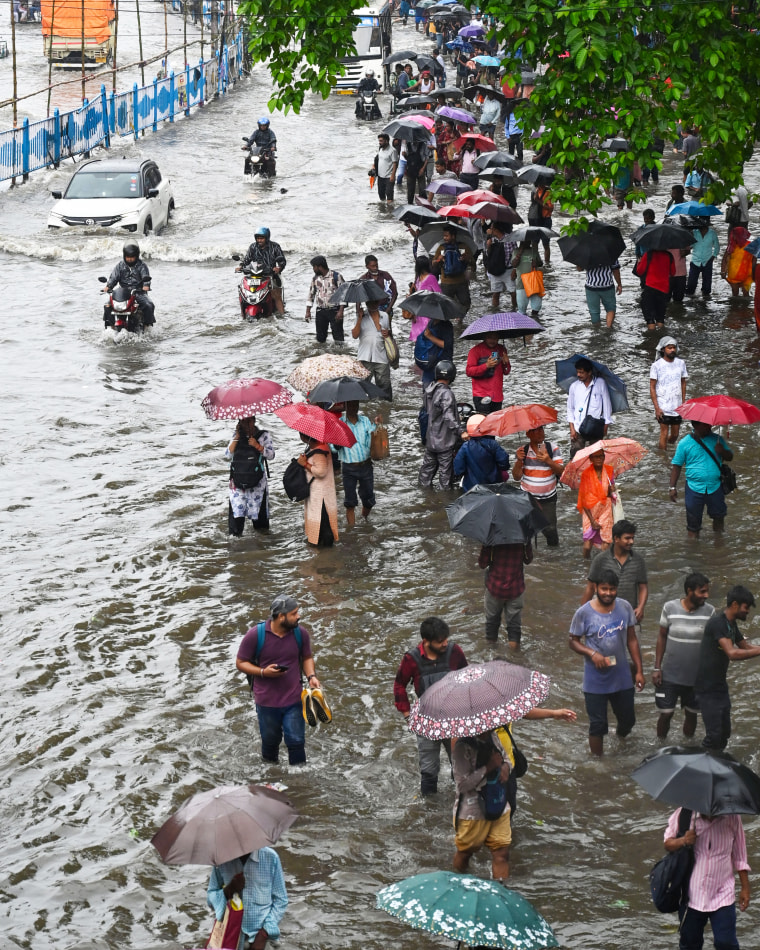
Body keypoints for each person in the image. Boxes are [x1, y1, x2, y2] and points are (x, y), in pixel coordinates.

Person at [235, 594, 320, 764]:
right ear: (281, 616)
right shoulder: (255, 635)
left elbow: (307, 657)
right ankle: (270, 780)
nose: (298, 616)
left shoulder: (300, 633)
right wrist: (263, 672)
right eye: (294, 613)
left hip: (294, 699)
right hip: (266, 702)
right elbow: (240, 662)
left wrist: (311, 676)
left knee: (296, 742)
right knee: (270, 742)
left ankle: (299, 781)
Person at [569, 569, 645, 755]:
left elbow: (632, 639)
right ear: (596, 588)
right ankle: (598, 763)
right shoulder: (583, 613)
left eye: (612, 589)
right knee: (597, 725)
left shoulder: (625, 607)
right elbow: (573, 641)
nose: (608, 593)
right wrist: (592, 653)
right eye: (604, 589)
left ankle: (620, 740)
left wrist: (639, 671)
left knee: (628, 721)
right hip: (595, 679)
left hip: (621, 675)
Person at [394, 617, 468, 795]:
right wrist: (407, 714)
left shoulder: (454, 652)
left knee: (460, 767)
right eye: (440, 641)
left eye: (446, 639)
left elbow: (467, 677)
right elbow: (399, 685)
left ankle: (459, 804)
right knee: (428, 770)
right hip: (426, 720)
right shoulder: (411, 659)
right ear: (426, 641)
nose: (445, 643)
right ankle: (429, 811)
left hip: (453, 719)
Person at [664, 809, 751, 950]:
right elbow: (668, 843)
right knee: (690, 944)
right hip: (691, 894)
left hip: (723, 892)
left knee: (726, 943)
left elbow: (740, 856)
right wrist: (683, 840)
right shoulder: (684, 814)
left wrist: (745, 888)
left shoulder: (733, 817)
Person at [694, 585, 760, 751]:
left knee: (724, 734)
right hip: (707, 688)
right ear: (735, 604)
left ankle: (716, 764)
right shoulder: (718, 623)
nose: (747, 612)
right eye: (746, 608)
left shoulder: (731, 625)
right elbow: (732, 653)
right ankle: (701, 763)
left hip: (719, 686)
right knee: (714, 735)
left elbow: (745, 647)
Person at [653, 572, 713, 739]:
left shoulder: (710, 612)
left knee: (692, 714)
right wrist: (657, 667)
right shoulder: (670, 608)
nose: (706, 596)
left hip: (696, 677)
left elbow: (715, 642)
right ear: (689, 590)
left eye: (707, 591)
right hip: (669, 675)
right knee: (666, 713)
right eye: (702, 591)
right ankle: (661, 746)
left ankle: (688, 746)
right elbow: (662, 636)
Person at [452, 730, 512, 883]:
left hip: (499, 803)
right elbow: (462, 785)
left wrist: (505, 768)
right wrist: (488, 768)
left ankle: (501, 892)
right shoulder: (462, 747)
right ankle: (458, 883)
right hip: (473, 812)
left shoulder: (493, 736)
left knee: (502, 853)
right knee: (465, 852)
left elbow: (505, 758)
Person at [207, 848, 288, 950]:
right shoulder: (221, 861)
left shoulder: (271, 857)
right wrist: (228, 890)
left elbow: (281, 900)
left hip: (263, 935)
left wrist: (263, 934)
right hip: (232, 935)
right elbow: (210, 898)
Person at [669, 420, 734, 538]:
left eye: (708, 424)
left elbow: (730, 457)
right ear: (695, 425)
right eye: (704, 424)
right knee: (693, 525)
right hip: (694, 488)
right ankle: (693, 550)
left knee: (719, 517)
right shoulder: (684, 443)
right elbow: (677, 466)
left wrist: (722, 451)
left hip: (715, 486)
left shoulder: (717, 439)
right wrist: (672, 487)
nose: (709, 426)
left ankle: (718, 544)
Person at [583, 519, 648, 622]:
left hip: (630, 616)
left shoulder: (638, 560)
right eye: (627, 538)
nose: (631, 542)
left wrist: (641, 607)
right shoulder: (600, 560)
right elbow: (590, 588)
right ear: (616, 538)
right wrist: (583, 613)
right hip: (604, 617)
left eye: (632, 538)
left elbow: (643, 587)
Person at [512, 425, 564, 547]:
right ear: (528, 434)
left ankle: (553, 554)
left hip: (548, 497)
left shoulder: (552, 448)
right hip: (527, 498)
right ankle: (527, 556)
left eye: (541, 429)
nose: (540, 432)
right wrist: (519, 461)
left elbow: (561, 472)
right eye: (535, 430)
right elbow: (516, 477)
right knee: (526, 530)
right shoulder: (523, 451)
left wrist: (548, 460)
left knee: (550, 529)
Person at [478, 532, 532, 648]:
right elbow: (528, 560)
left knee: (492, 624)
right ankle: (515, 658)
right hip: (515, 589)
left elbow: (482, 564)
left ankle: (491, 656)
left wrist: (485, 545)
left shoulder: (491, 536)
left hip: (494, 588)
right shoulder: (523, 535)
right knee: (514, 627)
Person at [226, 416, 275, 536]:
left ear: (254, 420)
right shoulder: (236, 435)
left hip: (257, 484)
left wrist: (258, 446)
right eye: (243, 420)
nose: (246, 423)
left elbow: (271, 455)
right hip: (237, 483)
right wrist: (237, 438)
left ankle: (262, 546)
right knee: (236, 520)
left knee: (261, 524)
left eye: (249, 420)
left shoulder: (263, 435)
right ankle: (235, 544)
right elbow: (228, 454)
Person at [419, 360, 464, 490]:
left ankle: (425, 495)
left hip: (430, 439)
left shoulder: (429, 390)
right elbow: (448, 416)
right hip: (444, 441)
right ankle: (444, 500)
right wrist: (461, 431)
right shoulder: (447, 393)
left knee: (426, 472)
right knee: (445, 474)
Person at [337, 401, 381, 526]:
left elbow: (372, 438)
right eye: (350, 405)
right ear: (345, 406)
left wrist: (376, 425)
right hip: (348, 468)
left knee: (368, 500)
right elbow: (333, 448)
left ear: (358, 406)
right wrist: (336, 445)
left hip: (366, 465)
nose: (353, 407)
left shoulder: (365, 421)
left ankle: (364, 520)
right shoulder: (340, 423)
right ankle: (351, 530)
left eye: (355, 404)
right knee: (350, 502)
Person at [566, 357, 613, 457]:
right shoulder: (574, 387)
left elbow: (607, 406)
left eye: (581, 372)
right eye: (578, 372)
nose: (578, 374)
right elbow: (570, 409)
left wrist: (605, 426)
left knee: (597, 457)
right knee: (575, 458)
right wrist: (572, 429)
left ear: (589, 372)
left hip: (596, 427)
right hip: (578, 428)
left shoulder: (600, 383)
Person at [298, 435, 340, 546]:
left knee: (323, 523)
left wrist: (305, 464)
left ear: (305, 437)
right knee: (324, 522)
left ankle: (324, 550)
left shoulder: (319, 452)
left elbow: (321, 472)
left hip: (321, 495)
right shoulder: (321, 447)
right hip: (323, 493)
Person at [650, 336, 688, 450]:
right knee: (664, 433)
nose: (672, 350)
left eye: (674, 347)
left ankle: (667, 450)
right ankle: (663, 459)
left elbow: (683, 383)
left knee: (675, 435)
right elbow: (652, 387)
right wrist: (657, 408)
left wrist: (683, 402)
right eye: (669, 347)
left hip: (677, 405)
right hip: (663, 405)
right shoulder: (656, 365)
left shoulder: (681, 363)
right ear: (663, 349)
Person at [576, 447, 616, 558]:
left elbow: (608, 494)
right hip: (590, 510)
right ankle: (586, 565)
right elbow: (583, 499)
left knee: (606, 543)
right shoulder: (586, 475)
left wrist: (612, 490)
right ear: (591, 459)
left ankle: (603, 566)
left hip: (605, 508)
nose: (599, 459)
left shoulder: (609, 471)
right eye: (596, 457)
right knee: (587, 546)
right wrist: (592, 520)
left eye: (601, 456)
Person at [103, 242, 155, 327]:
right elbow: (114, 277)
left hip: (138, 292)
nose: (129, 259)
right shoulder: (120, 266)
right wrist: (108, 286)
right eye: (127, 257)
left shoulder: (142, 266)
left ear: (136, 256)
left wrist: (146, 285)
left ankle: (147, 326)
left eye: (132, 257)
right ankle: (110, 326)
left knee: (149, 305)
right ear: (124, 256)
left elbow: (146, 276)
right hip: (123, 293)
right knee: (107, 305)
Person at [237, 228, 286, 314]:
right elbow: (246, 260)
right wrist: (241, 266)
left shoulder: (275, 246)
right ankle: (242, 315)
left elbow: (282, 261)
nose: (259, 240)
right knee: (242, 291)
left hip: (270, 275)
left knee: (276, 295)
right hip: (255, 275)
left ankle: (282, 315)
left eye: (261, 238)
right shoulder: (253, 247)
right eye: (258, 238)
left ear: (267, 238)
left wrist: (279, 268)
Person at [454, 414, 509, 490]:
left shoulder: (465, 447)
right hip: (493, 484)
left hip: (472, 487)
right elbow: (504, 462)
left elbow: (458, 468)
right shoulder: (493, 444)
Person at [352, 297, 392, 400]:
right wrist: (359, 318)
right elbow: (355, 335)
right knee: (362, 389)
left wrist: (387, 334)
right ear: (366, 303)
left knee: (385, 389)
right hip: (364, 357)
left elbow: (388, 336)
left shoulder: (385, 316)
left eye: (375, 301)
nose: (372, 304)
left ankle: (384, 411)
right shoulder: (361, 316)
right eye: (370, 302)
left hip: (381, 357)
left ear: (378, 302)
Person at [431, 225, 475, 313]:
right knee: (445, 307)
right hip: (446, 282)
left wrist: (467, 259)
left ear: (453, 236)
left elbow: (473, 264)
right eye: (444, 236)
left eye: (447, 236)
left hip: (461, 282)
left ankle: (459, 320)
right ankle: (451, 323)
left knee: (466, 303)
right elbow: (433, 264)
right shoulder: (441, 248)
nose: (444, 238)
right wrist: (439, 259)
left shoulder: (463, 247)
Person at [465, 331, 511, 413]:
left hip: (497, 395)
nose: (492, 340)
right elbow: (469, 371)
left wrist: (506, 363)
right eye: (490, 337)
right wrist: (486, 365)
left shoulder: (501, 349)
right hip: (481, 394)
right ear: (484, 337)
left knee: (496, 423)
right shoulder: (475, 351)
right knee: (484, 422)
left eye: (495, 338)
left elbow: (506, 372)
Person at [305, 256, 345, 343]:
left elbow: (343, 294)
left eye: (314, 267)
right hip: (321, 311)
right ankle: (322, 355)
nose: (313, 269)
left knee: (338, 338)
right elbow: (311, 295)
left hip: (335, 310)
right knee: (320, 338)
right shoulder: (315, 279)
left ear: (319, 266)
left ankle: (340, 355)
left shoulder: (336, 276)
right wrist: (308, 311)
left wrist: (341, 311)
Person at [635, 247, 675, 330]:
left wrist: (639, 262)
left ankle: (652, 337)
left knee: (649, 317)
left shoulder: (648, 254)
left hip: (650, 288)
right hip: (664, 289)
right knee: (660, 316)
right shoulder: (669, 255)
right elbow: (673, 272)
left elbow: (640, 271)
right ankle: (660, 335)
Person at [403, 255, 441, 342]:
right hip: (418, 312)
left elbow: (439, 294)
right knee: (419, 337)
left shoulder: (431, 278)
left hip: (428, 312)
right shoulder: (418, 278)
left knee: (426, 336)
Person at [484, 222, 517, 312]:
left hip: (508, 270)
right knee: (495, 293)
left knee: (513, 293)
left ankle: (515, 310)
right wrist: (488, 246)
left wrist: (515, 269)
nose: (489, 230)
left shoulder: (510, 240)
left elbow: (515, 255)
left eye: (491, 228)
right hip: (495, 270)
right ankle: (495, 312)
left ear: (496, 230)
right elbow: (487, 256)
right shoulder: (491, 239)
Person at [581, 259, 622, 328]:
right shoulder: (611, 253)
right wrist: (619, 284)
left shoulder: (586, 254)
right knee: (610, 309)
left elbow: (580, 268)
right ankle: (608, 329)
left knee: (594, 312)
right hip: (607, 286)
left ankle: (596, 331)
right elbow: (615, 270)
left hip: (591, 287)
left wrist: (578, 263)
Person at [684, 221, 720, 297]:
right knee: (691, 285)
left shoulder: (712, 233)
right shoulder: (694, 232)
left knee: (707, 288)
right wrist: (689, 239)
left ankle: (705, 300)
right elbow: (691, 245)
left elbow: (717, 246)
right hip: (695, 261)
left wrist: (713, 256)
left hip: (707, 261)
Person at [417, 316, 454, 386]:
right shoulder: (431, 322)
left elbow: (446, 345)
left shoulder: (447, 325)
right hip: (430, 362)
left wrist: (430, 337)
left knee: (441, 391)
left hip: (442, 364)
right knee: (427, 390)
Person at [511, 239, 544, 319]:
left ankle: (534, 321)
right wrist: (520, 253)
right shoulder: (516, 251)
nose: (528, 242)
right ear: (521, 241)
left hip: (534, 282)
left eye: (528, 241)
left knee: (536, 307)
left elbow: (540, 263)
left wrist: (536, 263)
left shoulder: (534, 251)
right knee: (522, 309)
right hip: (521, 283)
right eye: (525, 241)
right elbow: (514, 265)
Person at [359, 255, 398, 321]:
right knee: (374, 329)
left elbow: (395, 293)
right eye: (373, 266)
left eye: (376, 265)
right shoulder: (364, 279)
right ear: (367, 267)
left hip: (386, 306)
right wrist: (358, 311)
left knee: (387, 329)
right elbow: (358, 296)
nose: (375, 268)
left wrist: (388, 308)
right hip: (371, 310)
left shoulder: (385, 275)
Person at [721, 226, 754, 297]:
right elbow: (724, 259)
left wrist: (754, 271)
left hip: (747, 274)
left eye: (735, 235)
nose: (734, 237)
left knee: (746, 293)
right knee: (735, 293)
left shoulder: (750, 245)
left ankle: (743, 307)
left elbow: (754, 259)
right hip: (734, 275)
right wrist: (723, 271)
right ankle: (735, 307)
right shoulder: (731, 246)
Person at [399, 138, 430, 204]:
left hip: (420, 168)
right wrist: (404, 155)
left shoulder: (423, 145)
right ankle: (410, 205)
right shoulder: (408, 145)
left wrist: (423, 169)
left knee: (422, 189)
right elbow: (408, 159)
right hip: (410, 170)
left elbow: (427, 158)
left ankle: (424, 205)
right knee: (410, 190)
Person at [527, 184, 553, 262]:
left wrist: (538, 200)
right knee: (534, 243)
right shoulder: (534, 190)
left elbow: (550, 208)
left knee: (545, 244)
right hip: (535, 219)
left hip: (545, 220)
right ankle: (535, 262)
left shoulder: (548, 192)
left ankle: (547, 263)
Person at [372, 133, 399, 203]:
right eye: (379, 141)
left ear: (386, 141)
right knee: (381, 196)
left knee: (389, 196)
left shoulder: (393, 150)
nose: (379, 142)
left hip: (389, 177)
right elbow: (377, 159)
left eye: (381, 141)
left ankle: (390, 212)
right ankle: (384, 211)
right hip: (380, 176)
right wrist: (373, 167)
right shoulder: (380, 149)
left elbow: (395, 163)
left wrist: (393, 175)